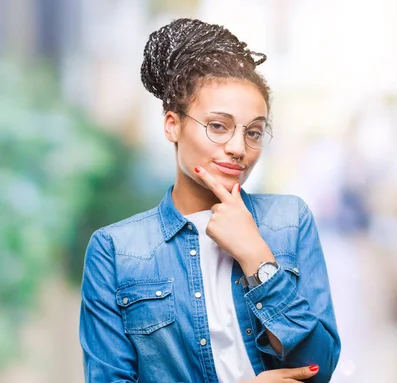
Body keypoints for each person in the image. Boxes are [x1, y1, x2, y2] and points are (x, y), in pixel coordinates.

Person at [79, 18, 341, 383]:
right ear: (172, 124)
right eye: (218, 126)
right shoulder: (117, 251)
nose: (238, 148)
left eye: (253, 132)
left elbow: (320, 367)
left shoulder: (289, 221)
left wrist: (258, 259)